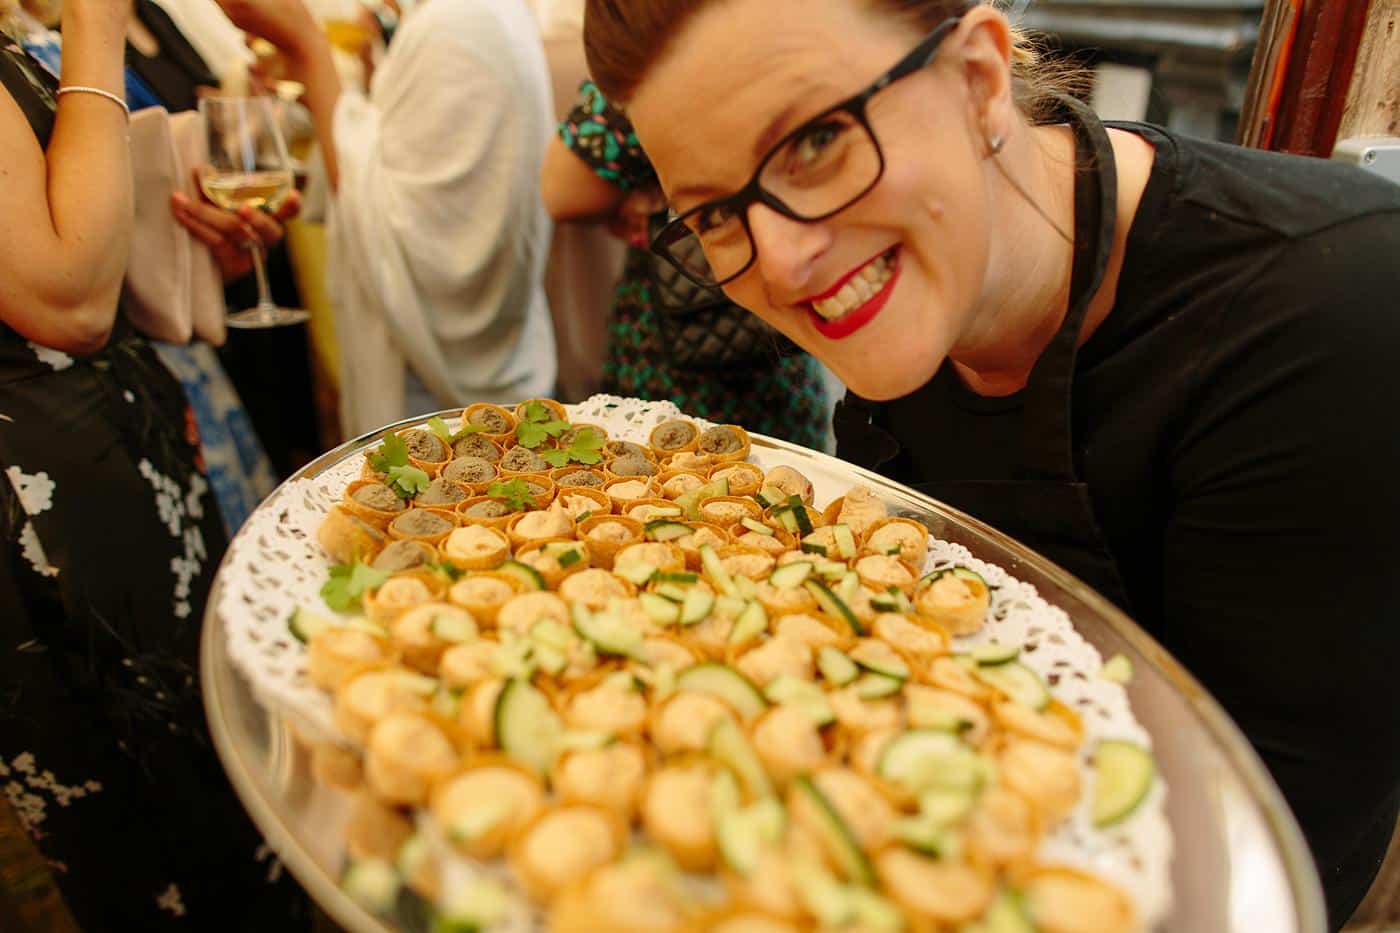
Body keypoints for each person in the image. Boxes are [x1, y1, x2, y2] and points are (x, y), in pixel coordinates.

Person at [582, 0, 1400, 926]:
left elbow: (1269, 874)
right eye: (717, 215)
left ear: (977, 79)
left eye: (814, 144)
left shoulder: (1335, 316)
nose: (784, 260)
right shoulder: (916, 283)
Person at [0, 0, 307, 927]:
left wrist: (189, 232)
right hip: (53, 519)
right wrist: (96, 18)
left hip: (115, 465)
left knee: (220, 792)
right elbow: (64, 301)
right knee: (172, 839)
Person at [217, 0, 558, 436]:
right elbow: (398, 157)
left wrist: (308, 48)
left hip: (436, 399)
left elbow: (414, 233)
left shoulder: (456, 21)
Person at [543, 79, 830, 449]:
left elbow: (563, 191)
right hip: (719, 323)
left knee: (670, 467)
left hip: (683, 334)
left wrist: (661, 198)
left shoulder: (653, 58)